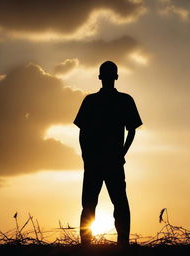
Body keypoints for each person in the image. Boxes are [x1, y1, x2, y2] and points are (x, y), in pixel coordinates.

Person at [73, 61, 143, 246]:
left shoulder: (94, 101)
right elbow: (132, 130)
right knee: (113, 203)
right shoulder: (122, 100)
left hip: (101, 161)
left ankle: (95, 244)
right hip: (107, 161)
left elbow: (82, 133)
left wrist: (88, 156)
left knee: (99, 204)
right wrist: (121, 153)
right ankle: (120, 243)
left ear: (100, 77)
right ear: (115, 77)